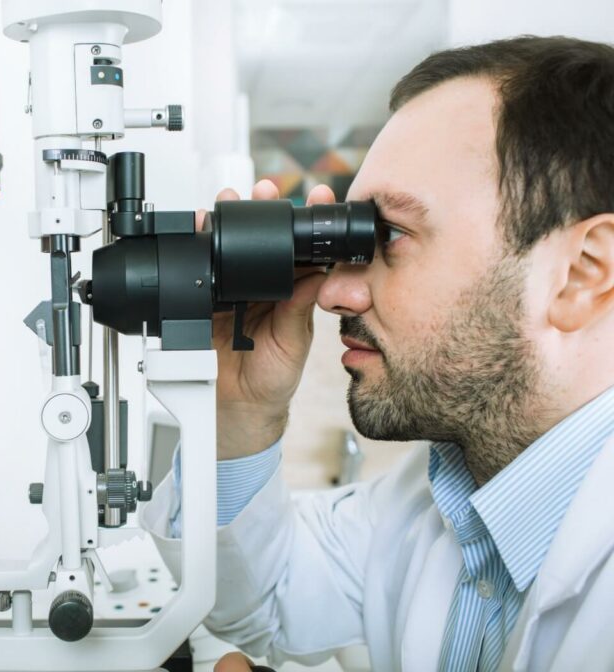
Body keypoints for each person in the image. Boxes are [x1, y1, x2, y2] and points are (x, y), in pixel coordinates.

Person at [140, 35, 614, 671]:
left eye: (389, 234)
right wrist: (241, 410)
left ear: (581, 273)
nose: (332, 291)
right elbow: (261, 604)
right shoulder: (435, 496)